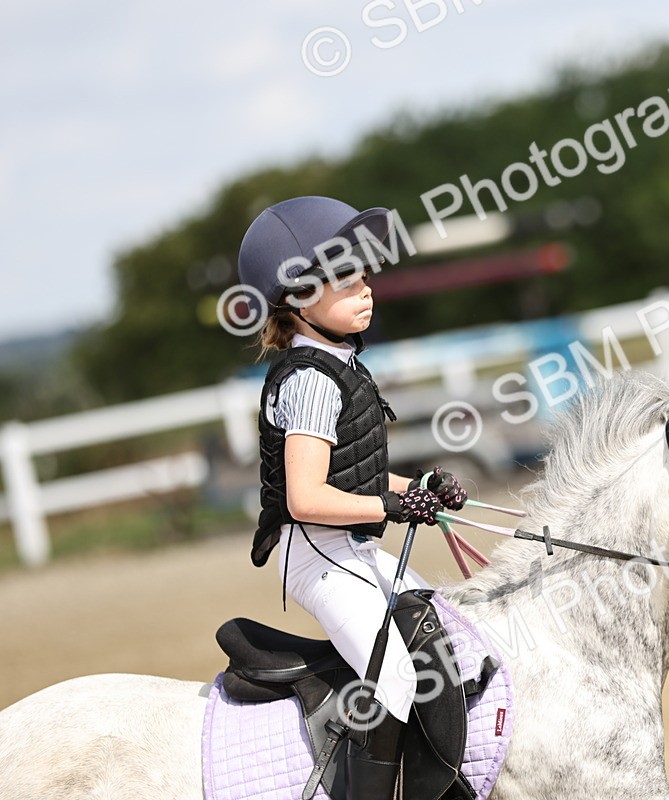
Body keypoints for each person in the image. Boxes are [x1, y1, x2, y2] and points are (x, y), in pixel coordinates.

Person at [236, 196, 468, 800]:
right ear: (295, 299)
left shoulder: (340, 362)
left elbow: (356, 476)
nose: (365, 288)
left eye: (364, 273)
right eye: (344, 279)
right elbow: (307, 497)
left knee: (442, 631)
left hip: (346, 544)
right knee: (393, 677)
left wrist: (415, 491)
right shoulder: (310, 378)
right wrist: (391, 508)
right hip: (319, 553)